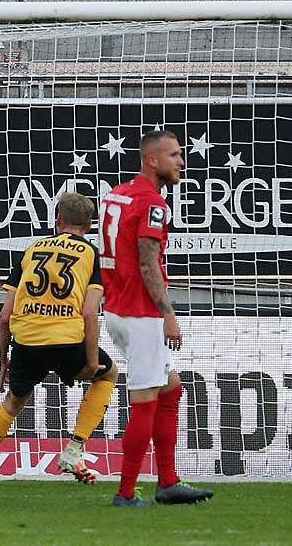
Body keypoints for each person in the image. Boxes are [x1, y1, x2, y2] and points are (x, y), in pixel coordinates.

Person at [0, 193, 117, 487]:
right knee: (109, 375)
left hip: (27, 339)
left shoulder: (32, 249)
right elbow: (89, 314)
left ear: (58, 220)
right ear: (90, 224)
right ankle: (73, 450)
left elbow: (5, 315)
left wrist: (4, 360)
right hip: (67, 339)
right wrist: (92, 362)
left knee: (12, 403)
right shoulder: (91, 254)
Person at [100, 130, 211, 507]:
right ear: (152, 160)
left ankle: (168, 481)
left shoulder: (117, 193)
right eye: (175, 155)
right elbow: (148, 263)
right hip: (140, 312)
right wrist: (168, 314)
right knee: (146, 398)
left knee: (171, 387)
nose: (181, 162)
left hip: (117, 306)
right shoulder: (152, 203)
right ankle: (126, 492)